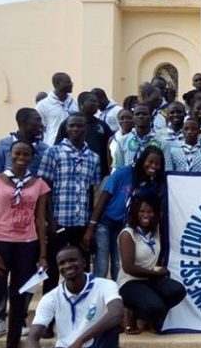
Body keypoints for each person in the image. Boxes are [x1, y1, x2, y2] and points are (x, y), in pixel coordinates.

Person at [0, 141, 49, 348]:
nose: (21, 158)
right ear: (10, 154)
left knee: (18, 299)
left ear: (31, 157)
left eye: (26, 154)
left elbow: (40, 221)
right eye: (17, 153)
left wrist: (43, 254)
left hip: (27, 246)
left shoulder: (39, 185)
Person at [37, 114, 102, 292]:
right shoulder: (53, 153)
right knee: (53, 269)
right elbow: (45, 189)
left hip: (81, 223)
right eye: (72, 125)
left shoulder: (93, 158)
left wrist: (90, 227)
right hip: (59, 222)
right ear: (66, 128)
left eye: (79, 126)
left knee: (81, 267)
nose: (75, 129)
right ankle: (50, 307)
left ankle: (81, 304)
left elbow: (93, 192)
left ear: (86, 128)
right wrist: (50, 221)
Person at [84, 146, 167, 281]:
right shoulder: (123, 173)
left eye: (157, 164)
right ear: (143, 160)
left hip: (124, 228)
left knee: (119, 266)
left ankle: (117, 293)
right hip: (105, 223)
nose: (153, 166)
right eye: (150, 162)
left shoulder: (151, 185)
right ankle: (98, 294)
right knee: (102, 266)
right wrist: (90, 228)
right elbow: (102, 200)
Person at [117, 195, 186, 334]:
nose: (146, 215)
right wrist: (155, 273)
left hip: (150, 279)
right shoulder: (127, 234)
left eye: (150, 212)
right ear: (135, 212)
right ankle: (132, 312)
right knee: (155, 307)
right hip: (130, 281)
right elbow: (128, 268)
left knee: (178, 290)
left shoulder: (155, 231)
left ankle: (151, 317)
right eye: (142, 211)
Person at [55, 91, 113, 178]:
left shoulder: (102, 126)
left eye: (97, 102)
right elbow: (58, 146)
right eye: (93, 101)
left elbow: (110, 149)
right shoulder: (68, 124)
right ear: (82, 103)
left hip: (97, 173)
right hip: (70, 172)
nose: (97, 104)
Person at [0, 108, 49, 176]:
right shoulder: (3, 145)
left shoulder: (45, 149)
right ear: (23, 123)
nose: (41, 124)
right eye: (37, 120)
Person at [112, 104, 168, 169]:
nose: (140, 116)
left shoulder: (162, 143)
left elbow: (167, 169)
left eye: (144, 114)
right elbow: (117, 168)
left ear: (151, 118)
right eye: (137, 114)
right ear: (133, 118)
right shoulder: (122, 141)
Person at [36, 72, 77, 146]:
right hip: (52, 146)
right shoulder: (43, 105)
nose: (71, 84)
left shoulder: (75, 103)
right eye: (68, 82)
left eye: (71, 82)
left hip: (73, 146)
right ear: (58, 84)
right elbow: (38, 128)